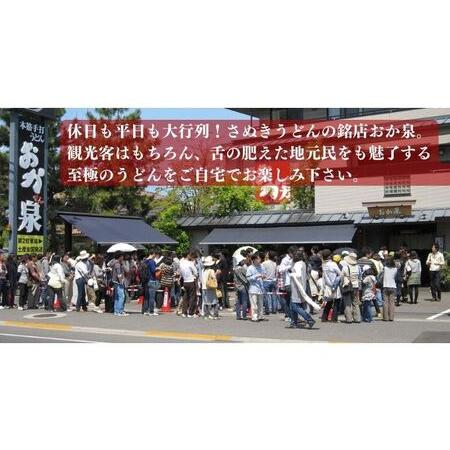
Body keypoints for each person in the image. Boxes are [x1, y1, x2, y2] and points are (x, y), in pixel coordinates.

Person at [288, 250, 316, 329]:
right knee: (294, 305)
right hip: (302, 286)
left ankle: (309, 319)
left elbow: (298, 275)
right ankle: (294, 322)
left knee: (295, 306)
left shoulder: (297, 264)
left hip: (297, 287)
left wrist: (291, 273)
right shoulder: (303, 263)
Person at [321, 249, 342, 322]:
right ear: (330, 256)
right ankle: (334, 318)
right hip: (334, 285)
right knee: (336, 301)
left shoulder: (324, 264)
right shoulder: (333, 264)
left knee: (329, 302)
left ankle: (324, 317)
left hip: (328, 285)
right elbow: (340, 274)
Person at [341, 252, 361, 324]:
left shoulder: (345, 267)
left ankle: (349, 319)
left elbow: (342, 277)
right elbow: (360, 277)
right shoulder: (358, 267)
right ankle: (357, 318)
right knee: (355, 302)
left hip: (347, 286)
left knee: (347, 303)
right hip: (356, 286)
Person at [246, 252, 266, 322]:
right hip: (253, 288)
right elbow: (248, 278)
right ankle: (254, 317)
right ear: (254, 260)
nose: (259, 260)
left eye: (260, 258)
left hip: (260, 288)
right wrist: (256, 276)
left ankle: (260, 316)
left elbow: (264, 274)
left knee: (260, 303)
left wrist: (263, 276)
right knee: (254, 304)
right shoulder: (250, 268)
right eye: (258, 258)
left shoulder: (262, 266)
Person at [179, 250, 198, 318]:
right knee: (192, 297)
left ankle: (184, 312)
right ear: (187, 255)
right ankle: (191, 313)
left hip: (185, 281)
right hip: (191, 281)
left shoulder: (181, 263)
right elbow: (196, 272)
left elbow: (180, 273)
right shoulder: (190, 263)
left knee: (185, 297)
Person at [143, 248, 159, 316]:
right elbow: (153, 270)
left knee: (147, 297)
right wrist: (158, 268)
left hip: (146, 280)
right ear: (153, 254)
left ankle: (145, 311)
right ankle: (151, 311)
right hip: (152, 280)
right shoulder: (152, 261)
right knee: (152, 297)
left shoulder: (145, 261)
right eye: (155, 254)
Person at [111, 252, 128, 316]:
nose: (123, 258)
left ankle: (116, 311)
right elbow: (119, 274)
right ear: (119, 257)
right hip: (118, 282)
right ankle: (119, 311)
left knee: (117, 297)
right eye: (122, 256)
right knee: (121, 296)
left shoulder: (115, 263)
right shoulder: (117, 264)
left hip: (115, 281)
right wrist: (121, 282)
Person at [382, 256, 397, 321]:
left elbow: (382, 275)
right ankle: (391, 317)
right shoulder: (395, 269)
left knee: (385, 302)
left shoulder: (384, 268)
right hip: (393, 286)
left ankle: (386, 318)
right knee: (392, 302)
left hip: (385, 286)